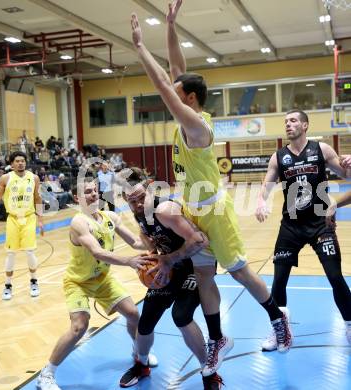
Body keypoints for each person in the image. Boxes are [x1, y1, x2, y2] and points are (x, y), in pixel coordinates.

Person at [130, 0, 292, 377]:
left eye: (177, 90)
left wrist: (140, 47)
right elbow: (176, 70)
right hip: (191, 208)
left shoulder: (197, 127)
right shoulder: (189, 105)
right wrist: (171, 26)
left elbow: (164, 86)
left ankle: (277, 318)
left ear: (188, 99)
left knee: (238, 271)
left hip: (214, 212)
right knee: (204, 275)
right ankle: (218, 337)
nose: (173, 87)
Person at [36, 178, 156, 390]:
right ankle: (47, 374)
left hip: (102, 278)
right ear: (77, 197)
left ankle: (137, 352)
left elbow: (136, 243)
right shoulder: (79, 222)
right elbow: (97, 252)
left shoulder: (110, 217)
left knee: (133, 314)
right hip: (78, 282)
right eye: (88, 191)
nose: (93, 194)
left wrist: (148, 233)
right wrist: (128, 261)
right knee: (79, 327)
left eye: (95, 190)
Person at [119, 168, 223, 389]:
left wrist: (168, 259)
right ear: (124, 199)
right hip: (171, 266)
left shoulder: (164, 209)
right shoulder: (140, 215)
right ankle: (142, 364)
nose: (137, 204)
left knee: (181, 315)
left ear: (149, 188)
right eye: (131, 201)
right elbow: (149, 240)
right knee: (146, 320)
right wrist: (153, 259)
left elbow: (200, 241)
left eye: (140, 198)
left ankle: (209, 370)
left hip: (196, 264)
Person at [255, 109, 351, 349]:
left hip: (321, 225)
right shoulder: (279, 157)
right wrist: (260, 201)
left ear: (305, 125)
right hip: (291, 226)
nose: (288, 124)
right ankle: (280, 329)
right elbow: (266, 185)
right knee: (278, 281)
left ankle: (349, 324)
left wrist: (349, 165)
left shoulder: (322, 150)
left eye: (293, 120)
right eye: (285, 121)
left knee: (336, 278)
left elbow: (348, 176)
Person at [0, 151, 44, 300]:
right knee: (11, 253)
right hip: (13, 219)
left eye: (22, 160)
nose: (20, 163)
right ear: (12, 163)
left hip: (29, 218)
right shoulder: (6, 178)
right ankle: (8, 285)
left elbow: (38, 198)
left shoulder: (34, 178)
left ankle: (34, 281)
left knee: (30, 251)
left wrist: (40, 219)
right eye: (17, 161)